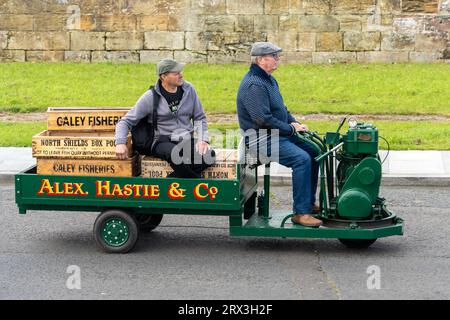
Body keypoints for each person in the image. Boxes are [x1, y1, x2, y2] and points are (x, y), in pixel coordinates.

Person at [236, 42, 322, 227]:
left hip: (277, 133)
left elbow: (281, 109)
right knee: (301, 159)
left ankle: (307, 202)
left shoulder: (268, 79)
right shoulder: (254, 84)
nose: (278, 59)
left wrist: (294, 122)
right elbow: (263, 120)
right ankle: (301, 213)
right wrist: (291, 129)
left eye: (277, 56)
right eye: (274, 56)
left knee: (315, 152)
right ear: (260, 59)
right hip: (261, 137)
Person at [115, 58, 215, 178]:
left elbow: (199, 117)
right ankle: (197, 183)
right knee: (175, 154)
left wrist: (202, 139)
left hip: (185, 139)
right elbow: (125, 121)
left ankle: (169, 181)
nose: (181, 75)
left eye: (180, 71)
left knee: (209, 155)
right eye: (176, 73)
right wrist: (120, 143)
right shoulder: (150, 97)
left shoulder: (189, 90)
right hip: (161, 141)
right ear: (163, 76)